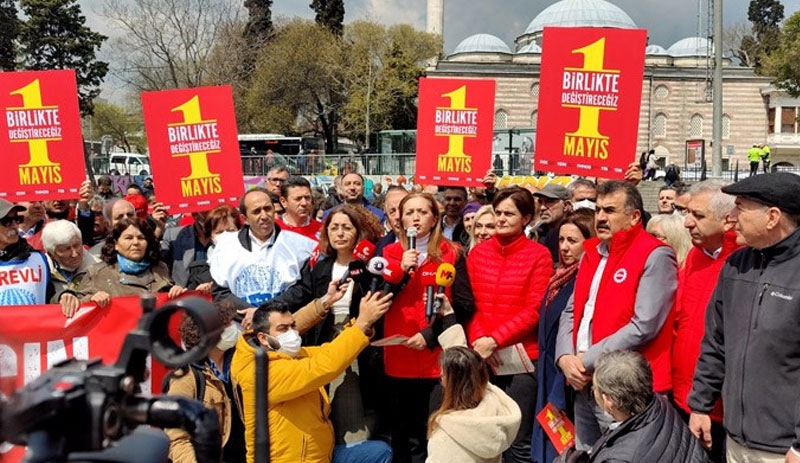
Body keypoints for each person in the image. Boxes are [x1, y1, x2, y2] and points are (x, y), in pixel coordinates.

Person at [556, 180, 677, 450]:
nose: (600, 217)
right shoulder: (592, 254)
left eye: (610, 210)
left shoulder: (655, 255)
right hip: (584, 382)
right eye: (598, 209)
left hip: (625, 386)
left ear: (634, 216)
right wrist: (564, 358)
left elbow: (645, 324)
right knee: (587, 453)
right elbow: (572, 310)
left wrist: (585, 360)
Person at [688, 172, 800, 463]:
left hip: (784, 450)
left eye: (740, 207)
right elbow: (716, 341)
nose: (732, 217)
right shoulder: (736, 265)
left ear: (773, 217)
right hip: (735, 439)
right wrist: (700, 405)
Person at [271, 204, 389, 445]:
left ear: (358, 232)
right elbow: (303, 295)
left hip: (359, 346)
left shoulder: (369, 267)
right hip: (324, 344)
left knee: (353, 412)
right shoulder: (320, 267)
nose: (340, 233)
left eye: (346, 228)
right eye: (334, 228)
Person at [231, 293, 394, 463]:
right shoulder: (261, 373)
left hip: (321, 456)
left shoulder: (285, 353)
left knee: (380, 452)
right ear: (263, 338)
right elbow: (323, 366)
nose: (292, 333)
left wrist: (360, 327)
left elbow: (327, 351)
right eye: (283, 329)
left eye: (293, 326)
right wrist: (361, 324)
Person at [382, 192, 476, 462]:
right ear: (400, 219)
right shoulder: (388, 252)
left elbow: (464, 304)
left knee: (433, 433)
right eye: (409, 212)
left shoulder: (452, 253)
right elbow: (378, 299)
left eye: (422, 212)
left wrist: (429, 335)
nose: (415, 217)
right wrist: (400, 272)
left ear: (435, 217)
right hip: (398, 355)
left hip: (435, 358)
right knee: (403, 436)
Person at [467, 186, 554, 462]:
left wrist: (496, 340)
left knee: (518, 439)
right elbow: (471, 305)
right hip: (483, 356)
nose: (501, 219)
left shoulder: (539, 255)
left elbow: (535, 309)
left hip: (522, 359)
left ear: (527, 218)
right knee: (484, 435)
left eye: (509, 213)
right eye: (498, 212)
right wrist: (481, 341)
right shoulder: (478, 254)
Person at [670, 180, 738, 463]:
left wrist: (705, 403)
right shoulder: (695, 257)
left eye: (697, 216)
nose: (686, 223)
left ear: (727, 221)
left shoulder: (741, 262)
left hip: (719, 409)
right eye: (688, 213)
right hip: (682, 397)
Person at [532, 209, 596, 463]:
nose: (565, 247)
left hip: (567, 379)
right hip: (547, 373)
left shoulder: (586, 278)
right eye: (561, 240)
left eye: (573, 241)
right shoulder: (557, 277)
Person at [566, 351, 709, 463]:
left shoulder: (618, 458)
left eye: (595, 388)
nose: (593, 391)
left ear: (608, 401)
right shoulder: (660, 404)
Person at [426, 296, 522, 463]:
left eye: (443, 373)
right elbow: (464, 365)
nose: (441, 376)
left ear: (450, 381)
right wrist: (448, 314)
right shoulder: (493, 402)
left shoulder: (447, 434)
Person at [209, 187, 317, 323]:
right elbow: (220, 293)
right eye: (256, 211)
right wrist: (252, 315)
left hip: (285, 327)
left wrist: (263, 312)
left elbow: (304, 289)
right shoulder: (225, 247)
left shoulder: (301, 245)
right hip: (242, 326)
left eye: (267, 209)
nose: (264, 216)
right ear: (244, 218)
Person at [165, 302, 246, 463]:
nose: (234, 329)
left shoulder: (242, 359)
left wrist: (313, 309)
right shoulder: (186, 377)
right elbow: (178, 440)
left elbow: (277, 330)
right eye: (227, 325)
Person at [73, 217, 187, 306]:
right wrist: (91, 299)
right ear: (116, 244)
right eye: (128, 238)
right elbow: (76, 305)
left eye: (141, 238)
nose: (136, 242)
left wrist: (176, 291)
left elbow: (168, 298)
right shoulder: (98, 272)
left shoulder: (160, 268)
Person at [0, 199, 55, 305]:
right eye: (6, 221)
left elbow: (51, 296)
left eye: (17, 219)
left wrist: (64, 295)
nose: (15, 226)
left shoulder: (38, 259)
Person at [41, 220, 99, 316]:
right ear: (51, 255)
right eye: (66, 249)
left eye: (77, 245)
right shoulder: (41, 273)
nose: (75, 254)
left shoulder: (100, 267)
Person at [185, 206, 241, 292]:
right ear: (211, 237)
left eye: (230, 230)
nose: (225, 236)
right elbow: (191, 299)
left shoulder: (256, 259)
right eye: (219, 232)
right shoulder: (198, 270)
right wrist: (199, 292)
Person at [533, 184, 572, 263]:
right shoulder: (535, 233)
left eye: (549, 201)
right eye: (540, 202)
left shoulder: (577, 233)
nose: (542, 208)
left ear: (565, 206)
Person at [275, 176, 322, 240]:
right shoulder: (273, 229)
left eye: (307, 197)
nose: (304, 203)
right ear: (283, 202)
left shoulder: (322, 230)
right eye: (298, 199)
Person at [376, 186, 409, 256]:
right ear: (384, 210)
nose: (398, 216)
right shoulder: (379, 248)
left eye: (402, 209)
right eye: (392, 211)